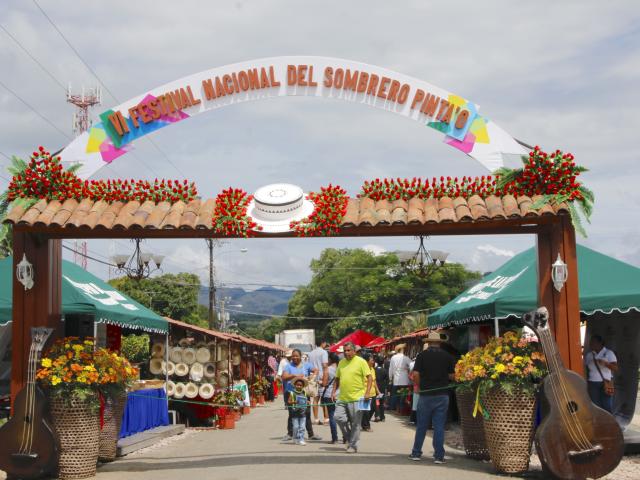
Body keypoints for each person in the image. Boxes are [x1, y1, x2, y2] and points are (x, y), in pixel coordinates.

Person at [408, 332, 455, 464]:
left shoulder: (422, 356)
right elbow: (452, 376)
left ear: (428, 342)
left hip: (426, 395)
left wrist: (419, 386)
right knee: (439, 426)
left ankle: (416, 453)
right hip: (442, 395)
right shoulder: (447, 356)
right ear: (439, 343)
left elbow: (415, 373)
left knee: (422, 425)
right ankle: (439, 456)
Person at [332, 342, 373, 453]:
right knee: (337, 417)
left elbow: (369, 378)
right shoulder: (341, 362)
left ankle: (353, 445)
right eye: (345, 351)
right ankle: (351, 438)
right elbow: (337, 379)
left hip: (358, 397)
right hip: (342, 397)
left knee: (356, 423)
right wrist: (333, 392)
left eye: (349, 350)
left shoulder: (361, 362)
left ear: (354, 351)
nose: (346, 353)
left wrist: (367, 392)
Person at [281, 349, 322, 441]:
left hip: (303, 393)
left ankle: (311, 434)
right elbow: (284, 377)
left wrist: (313, 375)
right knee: (292, 413)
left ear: (300, 356)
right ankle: (290, 434)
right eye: (293, 356)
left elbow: (316, 370)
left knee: (307, 413)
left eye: (296, 356)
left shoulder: (306, 365)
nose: (295, 357)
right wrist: (294, 376)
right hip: (291, 393)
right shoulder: (288, 366)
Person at [584, 334, 618, 413]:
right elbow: (586, 369)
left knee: (607, 406)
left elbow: (616, 368)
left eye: (593, 342)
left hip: (605, 383)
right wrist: (585, 380)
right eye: (590, 342)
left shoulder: (609, 353)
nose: (590, 344)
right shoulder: (589, 355)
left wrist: (606, 364)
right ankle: (599, 424)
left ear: (599, 343)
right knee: (595, 406)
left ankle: (608, 424)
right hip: (592, 383)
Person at [321, 352, 344, 444]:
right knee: (342, 417)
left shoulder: (328, 369)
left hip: (329, 394)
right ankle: (345, 437)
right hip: (340, 394)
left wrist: (320, 382)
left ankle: (334, 438)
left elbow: (324, 383)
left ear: (330, 359)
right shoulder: (341, 369)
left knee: (332, 416)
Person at [308, 340, 329, 425]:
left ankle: (316, 419)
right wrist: (325, 378)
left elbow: (309, 366)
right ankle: (326, 418)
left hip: (313, 377)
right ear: (323, 343)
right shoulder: (324, 352)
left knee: (315, 399)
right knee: (324, 399)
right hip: (321, 376)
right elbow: (325, 366)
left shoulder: (311, 353)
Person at [388, 343, 412, 410]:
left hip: (396, 379)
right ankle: (401, 409)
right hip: (404, 379)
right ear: (402, 349)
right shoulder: (405, 357)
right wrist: (408, 369)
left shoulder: (393, 357)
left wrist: (390, 378)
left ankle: (394, 408)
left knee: (396, 394)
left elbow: (391, 369)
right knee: (403, 395)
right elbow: (412, 365)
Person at [360, 353, 379, 432]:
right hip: (365, 394)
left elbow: (374, 381)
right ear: (366, 361)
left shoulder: (373, 369)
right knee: (365, 412)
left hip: (373, 393)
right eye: (371, 360)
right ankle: (366, 426)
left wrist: (378, 391)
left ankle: (364, 423)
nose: (373, 362)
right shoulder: (362, 370)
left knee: (372, 410)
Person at [289, 378, 309, 445]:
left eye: (300, 385)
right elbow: (288, 401)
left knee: (302, 427)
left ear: (303, 386)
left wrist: (308, 402)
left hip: (303, 413)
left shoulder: (304, 393)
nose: (299, 386)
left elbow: (306, 401)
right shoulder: (292, 393)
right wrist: (294, 402)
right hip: (295, 413)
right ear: (294, 385)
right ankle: (295, 437)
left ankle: (301, 439)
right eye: (297, 385)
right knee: (296, 427)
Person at [373, 355, 388, 422]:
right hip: (382, 387)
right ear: (383, 362)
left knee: (376, 401)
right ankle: (382, 416)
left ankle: (377, 415)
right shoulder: (385, 370)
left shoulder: (374, 370)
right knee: (381, 402)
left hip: (375, 387)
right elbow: (387, 380)